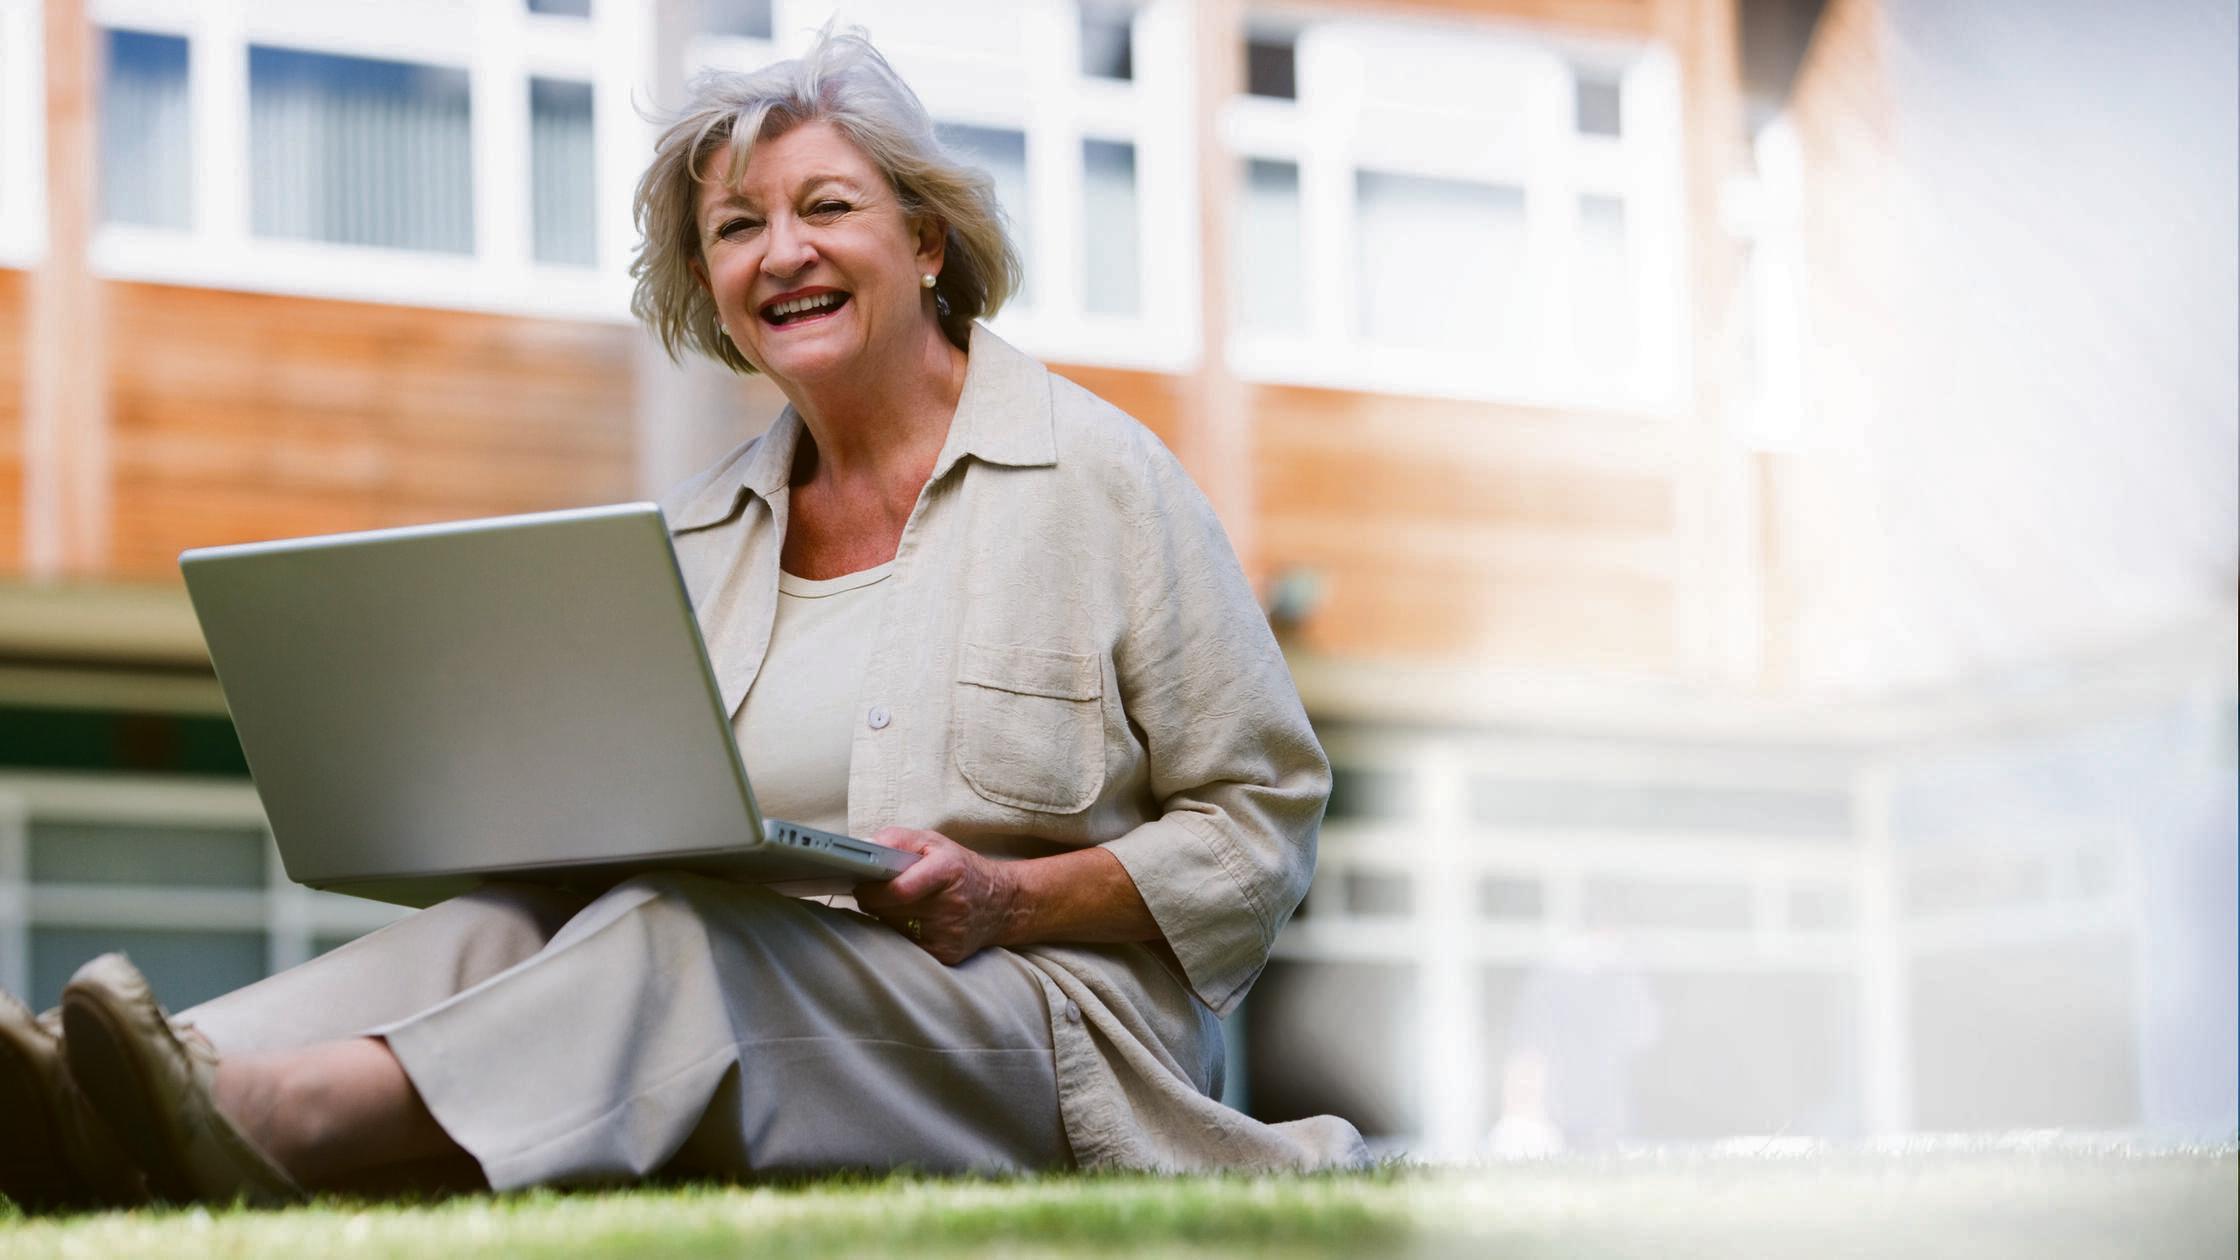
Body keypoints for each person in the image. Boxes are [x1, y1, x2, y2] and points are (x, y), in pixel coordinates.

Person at [0, 28, 1363, 1209]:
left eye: (826, 206)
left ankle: (260, 1122)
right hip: (752, 989)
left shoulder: (1101, 477)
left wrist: (1012, 896)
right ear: (707, 280)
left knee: (678, 941)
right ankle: (87, 1094)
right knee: (505, 927)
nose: (784, 254)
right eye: (736, 227)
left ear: (927, 239)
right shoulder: (700, 533)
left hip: (1042, 1035)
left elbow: (1259, 822)